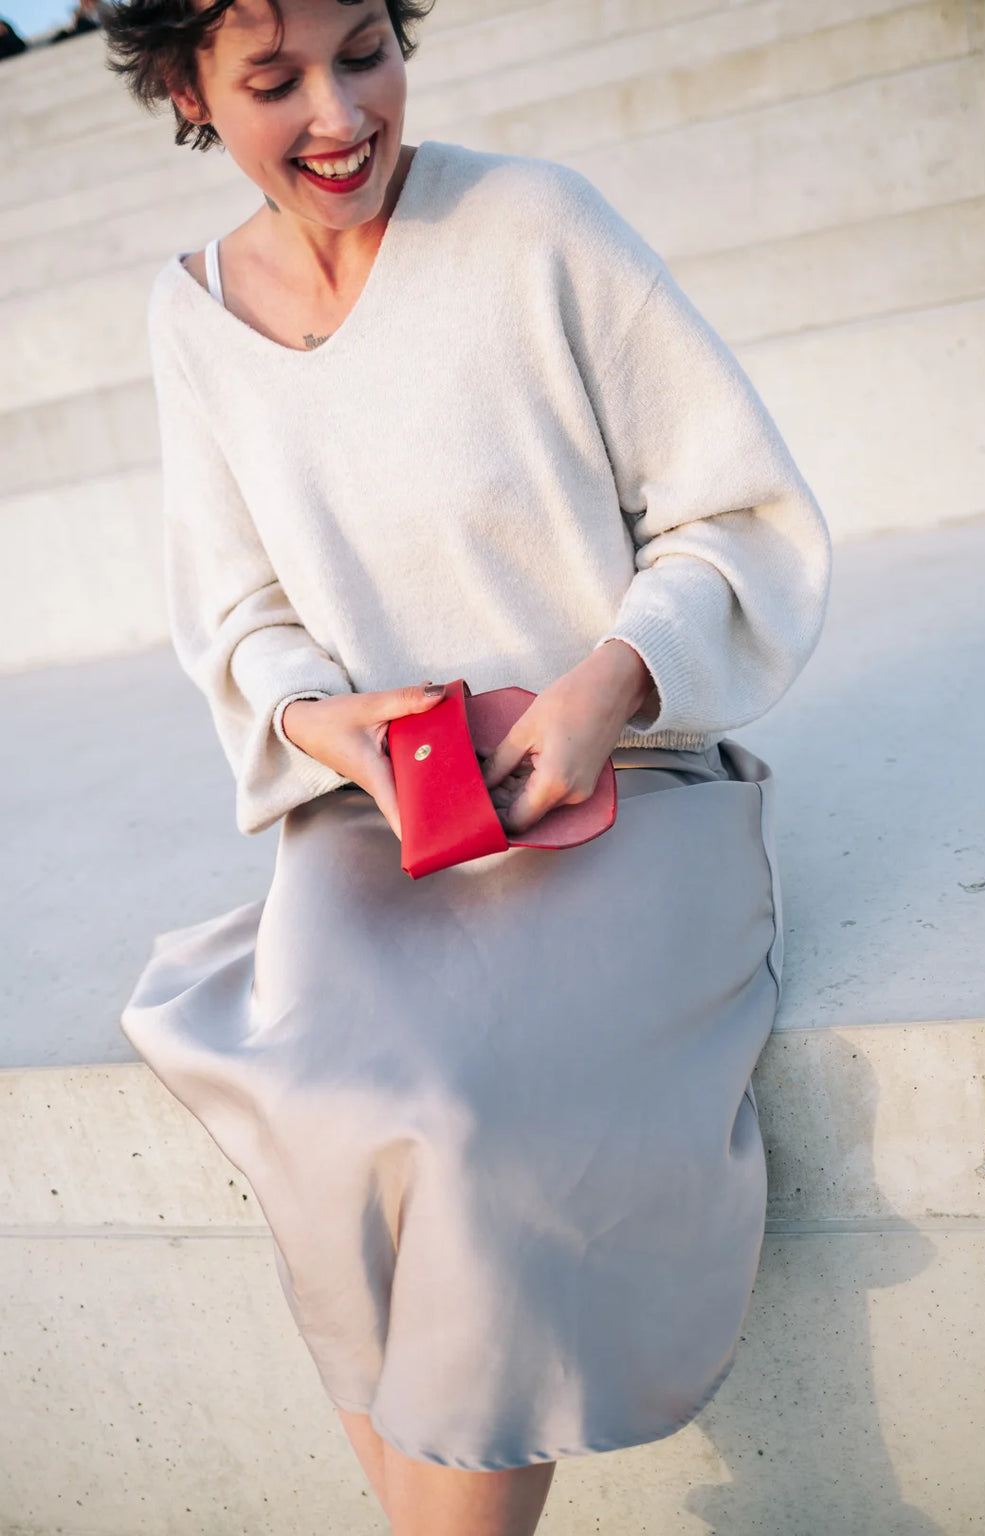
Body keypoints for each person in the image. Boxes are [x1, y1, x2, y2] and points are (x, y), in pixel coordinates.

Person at [105, 1, 832, 1532]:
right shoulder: (190, 316)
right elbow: (239, 613)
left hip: (622, 795)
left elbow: (732, 517)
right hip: (384, 831)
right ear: (185, 88)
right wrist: (327, 728)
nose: (338, 115)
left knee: (473, 1132)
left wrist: (602, 688)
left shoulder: (532, 225)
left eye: (366, 49)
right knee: (321, 1108)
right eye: (273, 79)